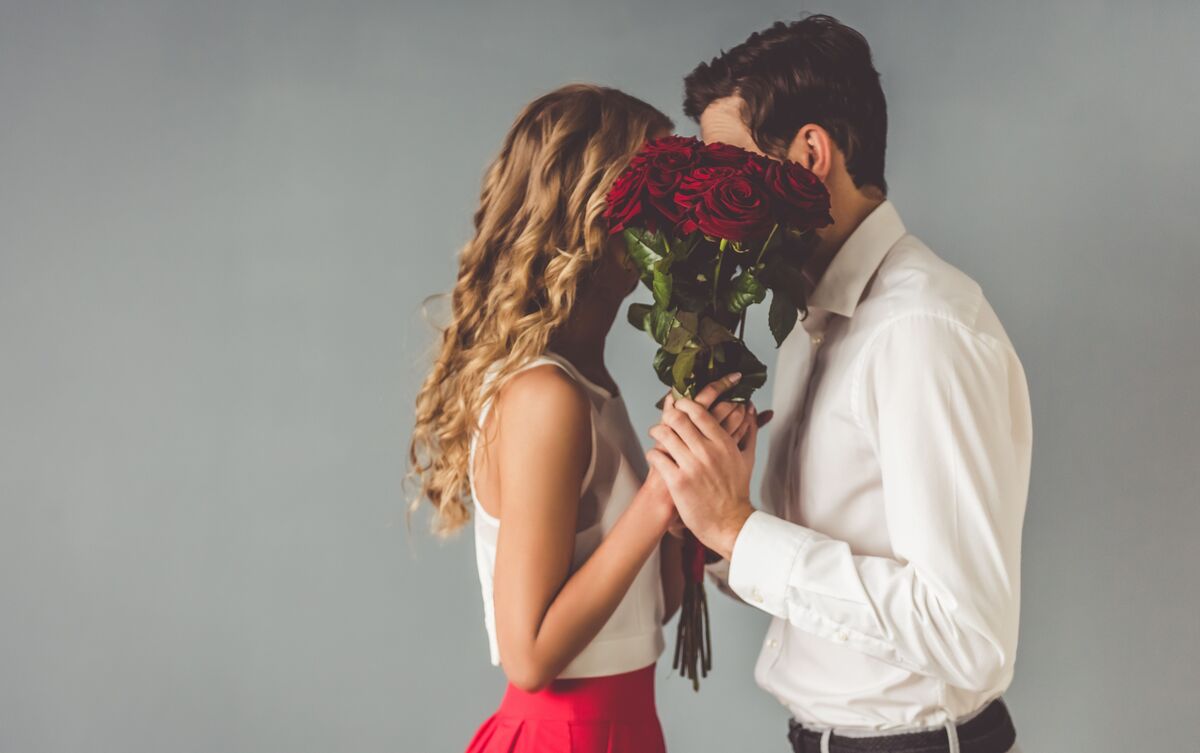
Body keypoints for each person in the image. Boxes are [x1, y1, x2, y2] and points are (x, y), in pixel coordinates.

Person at [646, 16, 1032, 753]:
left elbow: (968, 634)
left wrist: (737, 526)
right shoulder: (813, 324)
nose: (704, 197)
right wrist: (714, 529)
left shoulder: (919, 328)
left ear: (810, 153)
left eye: (723, 162)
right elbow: (843, 577)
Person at [408, 84, 756, 753]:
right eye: (658, 197)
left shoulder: (590, 383)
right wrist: (656, 498)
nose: (681, 221)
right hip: (563, 736)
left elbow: (644, 610)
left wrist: (694, 493)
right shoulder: (546, 396)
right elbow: (530, 657)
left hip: (623, 729)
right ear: (595, 214)